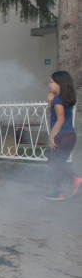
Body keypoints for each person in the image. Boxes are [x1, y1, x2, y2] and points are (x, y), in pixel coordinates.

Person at [44, 71, 82, 200]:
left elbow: (60, 120)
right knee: (58, 162)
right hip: (70, 136)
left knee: (52, 162)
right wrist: (50, 102)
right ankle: (75, 180)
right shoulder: (65, 99)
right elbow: (55, 116)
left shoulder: (58, 99)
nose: (49, 85)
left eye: (52, 82)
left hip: (61, 136)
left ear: (59, 84)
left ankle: (59, 191)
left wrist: (51, 136)